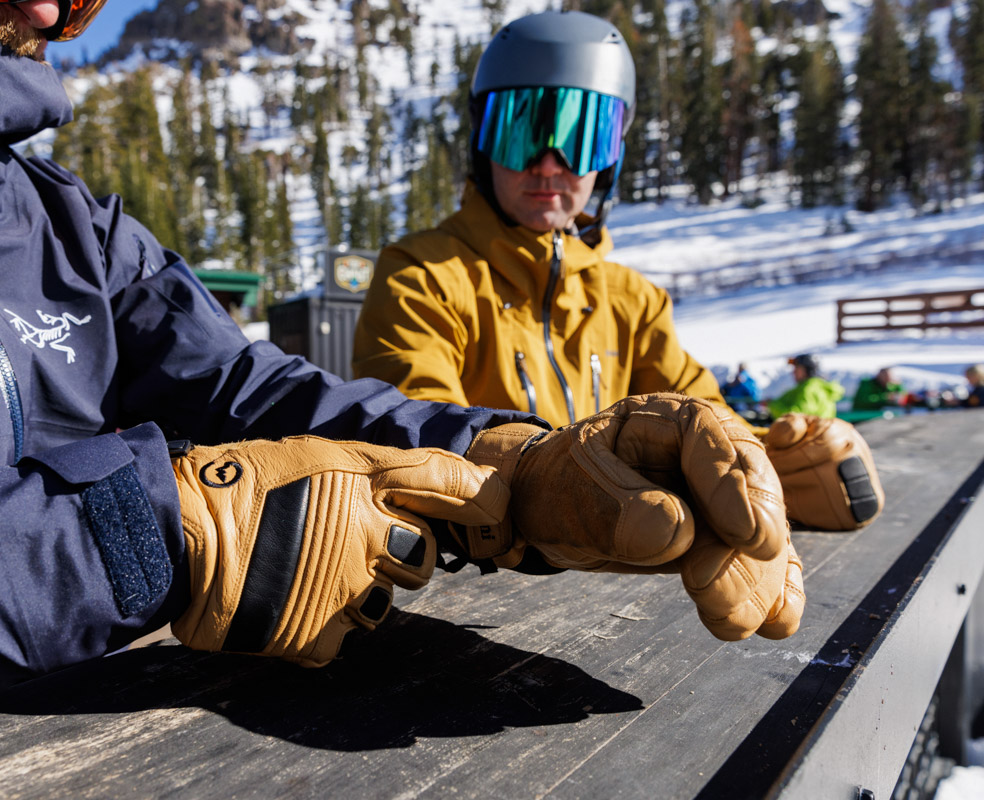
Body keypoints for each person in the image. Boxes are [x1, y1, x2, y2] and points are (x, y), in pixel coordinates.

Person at [0, 1, 812, 781]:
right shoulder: (426, 270)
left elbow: (247, 389)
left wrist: (511, 459)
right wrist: (129, 536)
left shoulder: (61, 224)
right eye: (530, 132)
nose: (52, 13)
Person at [352, 14, 880, 523]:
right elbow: (421, 440)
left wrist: (781, 466)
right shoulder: (423, 274)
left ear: (610, 156)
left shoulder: (633, 300)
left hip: (617, 561)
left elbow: (709, 427)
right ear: (482, 143)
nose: (549, 164)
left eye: (579, 137)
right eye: (522, 132)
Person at [768, 354, 844, 420]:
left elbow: (796, 417)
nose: (793, 372)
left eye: (797, 368)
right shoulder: (820, 386)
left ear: (807, 370)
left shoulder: (809, 389)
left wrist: (771, 405)